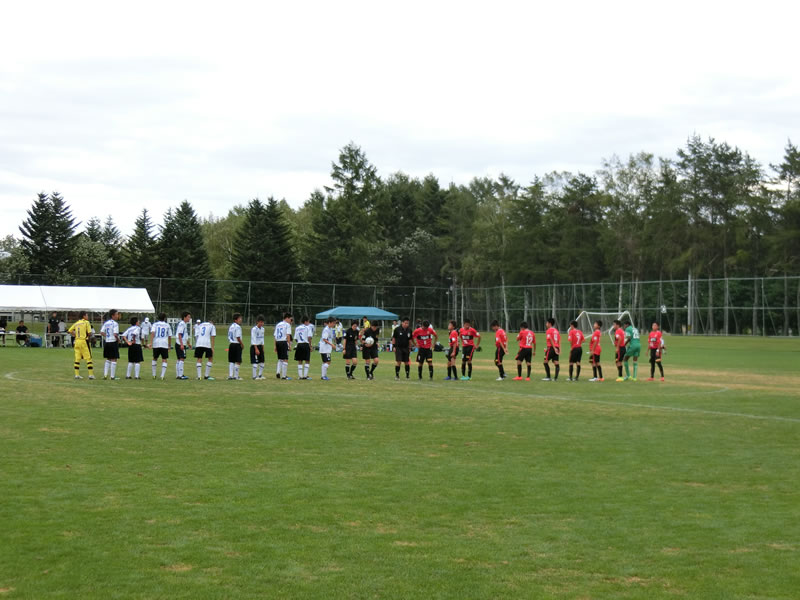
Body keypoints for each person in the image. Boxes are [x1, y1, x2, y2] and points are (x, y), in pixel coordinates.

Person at [68, 311, 95, 379]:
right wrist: (90, 337)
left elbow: (69, 330)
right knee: (88, 358)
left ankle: (76, 375)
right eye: (87, 315)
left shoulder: (76, 323)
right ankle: (91, 375)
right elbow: (89, 332)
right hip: (84, 341)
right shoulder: (86, 322)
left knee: (77, 358)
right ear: (84, 316)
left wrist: (75, 335)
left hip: (77, 341)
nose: (87, 317)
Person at [150, 313, 172, 380]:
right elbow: (169, 336)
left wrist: (151, 343)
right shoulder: (167, 325)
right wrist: (169, 345)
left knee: (154, 358)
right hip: (164, 344)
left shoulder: (155, 324)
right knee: (164, 359)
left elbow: (152, 333)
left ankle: (154, 375)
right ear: (164, 318)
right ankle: (162, 376)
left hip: (156, 343)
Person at [101, 309, 121, 380]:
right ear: (113, 315)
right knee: (114, 359)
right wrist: (118, 340)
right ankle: (112, 376)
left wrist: (107, 336)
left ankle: (105, 375)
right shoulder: (115, 324)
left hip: (107, 342)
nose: (118, 316)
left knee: (108, 359)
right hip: (113, 342)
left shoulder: (106, 323)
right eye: (117, 314)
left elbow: (101, 332)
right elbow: (115, 334)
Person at [274, 313, 293, 380]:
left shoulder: (278, 324)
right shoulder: (287, 325)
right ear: (287, 318)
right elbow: (288, 335)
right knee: (285, 358)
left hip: (278, 342)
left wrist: (275, 346)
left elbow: (275, 336)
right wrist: (289, 345)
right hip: (283, 342)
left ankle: (278, 372)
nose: (290, 320)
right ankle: (284, 376)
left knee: (280, 358)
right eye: (290, 319)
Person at [294, 316, 313, 380]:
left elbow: (295, 338)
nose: (308, 323)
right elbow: (309, 337)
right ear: (305, 321)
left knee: (300, 360)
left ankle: (300, 376)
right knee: (307, 360)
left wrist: (299, 342)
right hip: (305, 344)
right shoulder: (308, 327)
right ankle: (305, 376)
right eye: (308, 322)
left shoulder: (297, 328)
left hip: (299, 344)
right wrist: (310, 346)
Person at [174, 311, 192, 380]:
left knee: (179, 359)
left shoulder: (184, 324)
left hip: (180, 343)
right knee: (182, 358)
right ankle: (180, 375)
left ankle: (178, 375)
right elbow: (179, 334)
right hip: (180, 344)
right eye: (188, 317)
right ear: (184, 317)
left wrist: (188, 343)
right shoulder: (182, 324)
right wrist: (181, 344)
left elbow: (185, 336)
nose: (189, 318)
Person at [227, 313, 244, 380]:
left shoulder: (231, 326)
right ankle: (236, 376)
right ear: (235, 320)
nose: (241, 320)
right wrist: (242, 344)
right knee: (238, 360)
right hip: (237, 344)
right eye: (239, 318)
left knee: (232, 361)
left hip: (231, 344)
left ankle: (230, 375)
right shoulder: (238, 327)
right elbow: (238, 337)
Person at [250, 315, 266, 380]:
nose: (262, 323)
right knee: (255, 362)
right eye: (260, 322)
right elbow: (253, 339)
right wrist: (256, 349)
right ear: (257, 322)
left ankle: (260, 375)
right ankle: (254, 376)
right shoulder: (254, 329)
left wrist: (263, 348)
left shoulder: (263, 329)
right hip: (254, 346)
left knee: (262, 362)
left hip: (260, 346)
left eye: (263, 322)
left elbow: (262, 339)